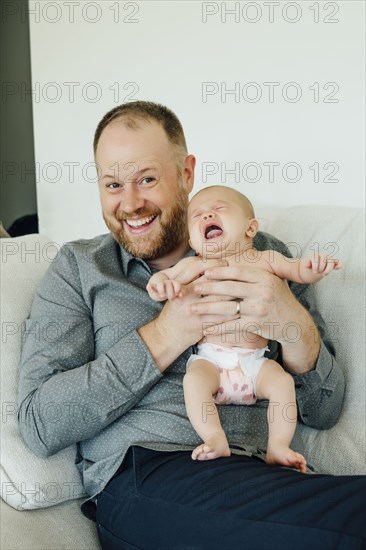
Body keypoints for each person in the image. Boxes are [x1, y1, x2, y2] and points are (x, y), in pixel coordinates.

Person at [18, 101, 365, 549]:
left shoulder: (260, 253)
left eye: (147, 179)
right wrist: (165, 333)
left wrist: (292, 323)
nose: (130, 203)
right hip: (148, 476)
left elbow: (325, 409)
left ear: (185, 173)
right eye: (112, 184)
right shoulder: (80, 268)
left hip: (263, 472)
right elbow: (40, 423)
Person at [147, 185, 342, 470]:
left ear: (251, 228)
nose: (207, 215)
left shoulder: (265, 259)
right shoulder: (197, 265)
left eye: (219, 208)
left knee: (283, 383)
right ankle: (214, 437)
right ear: (193, 240)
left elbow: (297, 270)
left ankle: (278, 445)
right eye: (197, 215)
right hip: (211, 359)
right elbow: (167, 277)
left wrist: (313, 267)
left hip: (255, 364)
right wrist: (162, 285)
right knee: (193, 382)